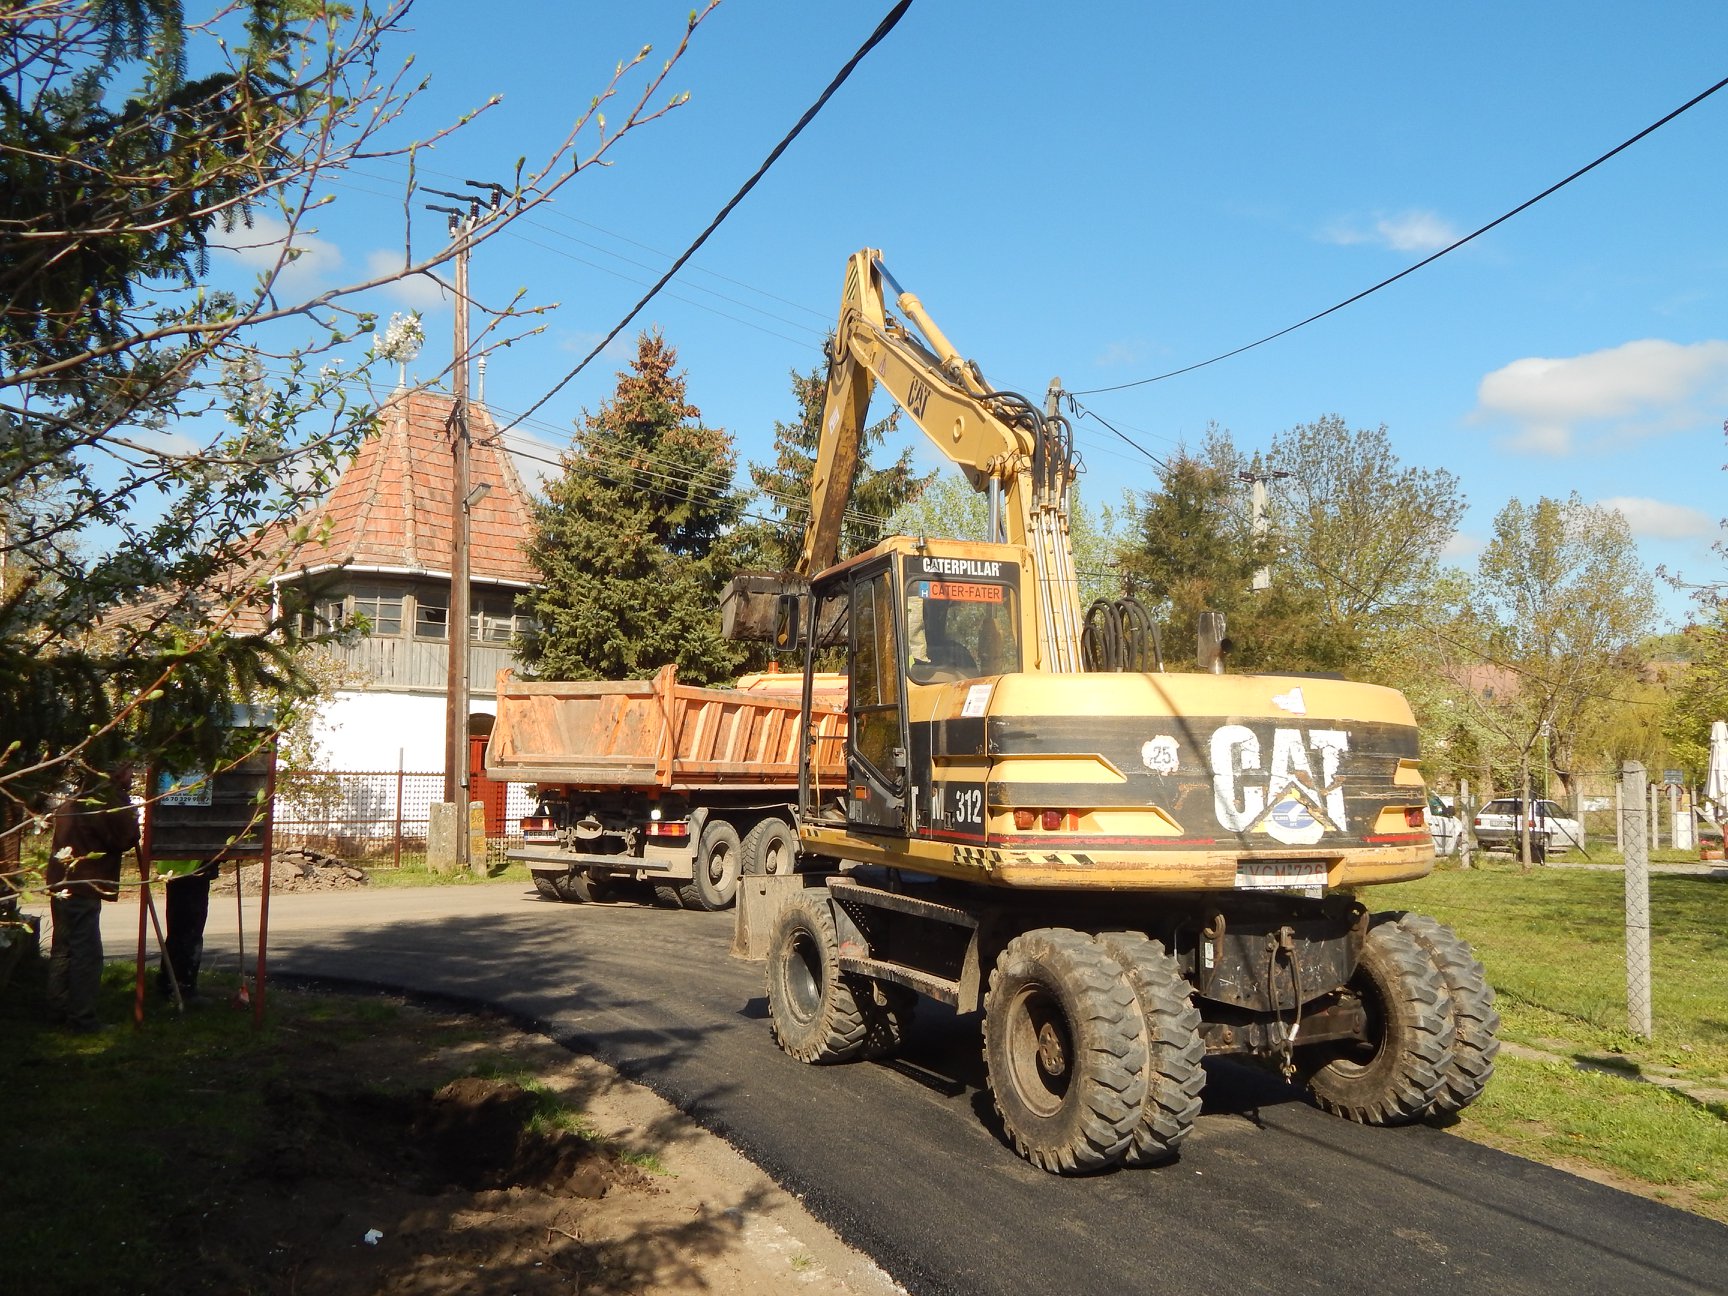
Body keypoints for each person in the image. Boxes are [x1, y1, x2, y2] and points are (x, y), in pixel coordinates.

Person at [45, 769, 140, 1031]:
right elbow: (127, 836)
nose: (132, 775)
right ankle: (81, 1018)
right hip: (83, 883)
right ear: (117, 773)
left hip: (61, 882)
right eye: (128, 770)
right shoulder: (105, 801)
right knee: (86, 953)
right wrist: (126, 804)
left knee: (63, 948)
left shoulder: (78, 797)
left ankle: (58, 1008)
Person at [157, 859, 218, 1002]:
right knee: (190, 930)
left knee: (177, 929)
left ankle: (168, 982)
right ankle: (183, 986)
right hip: (192, 866)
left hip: (175, 866)